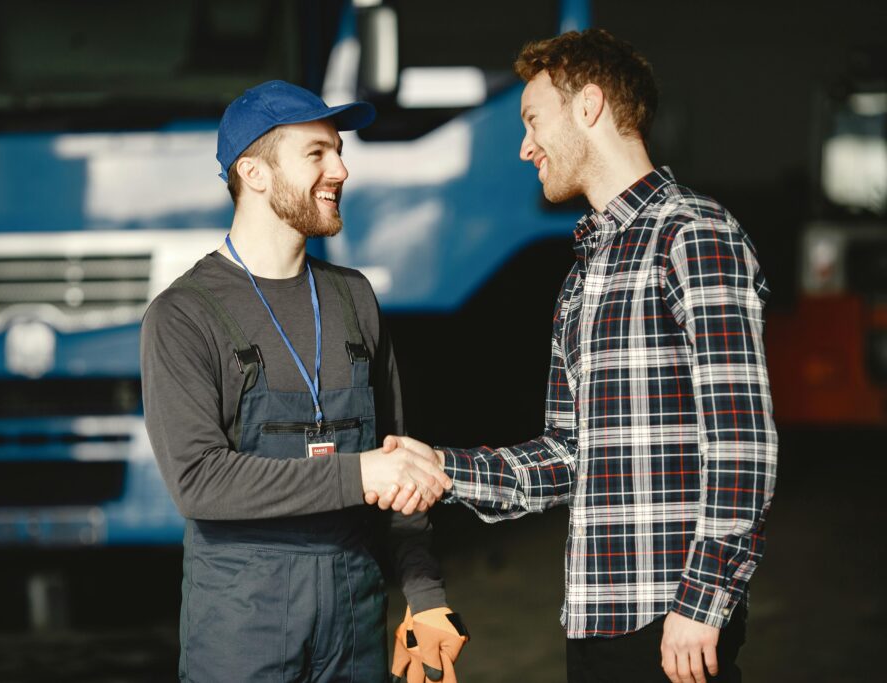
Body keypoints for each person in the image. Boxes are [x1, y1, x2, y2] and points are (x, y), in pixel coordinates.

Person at [376, 29, 777, 683]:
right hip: (594, 619)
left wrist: (703, 603)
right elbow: (568, 454)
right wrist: (444, 469)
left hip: (672, 623)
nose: (524, 146)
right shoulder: (583, 275)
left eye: (533, 120)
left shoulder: (693, 235)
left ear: (589, 105)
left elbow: (742, 442)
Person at [141, 80, 464, 683]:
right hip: (243, 625)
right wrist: (360, 474)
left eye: (338, 151)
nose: (340, 169)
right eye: (317, 153)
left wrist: (424, 593)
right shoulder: (184, 315)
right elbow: (198, 482)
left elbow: (396, 462)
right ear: (254, 173)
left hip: (355, 616)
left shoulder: (353, 298)